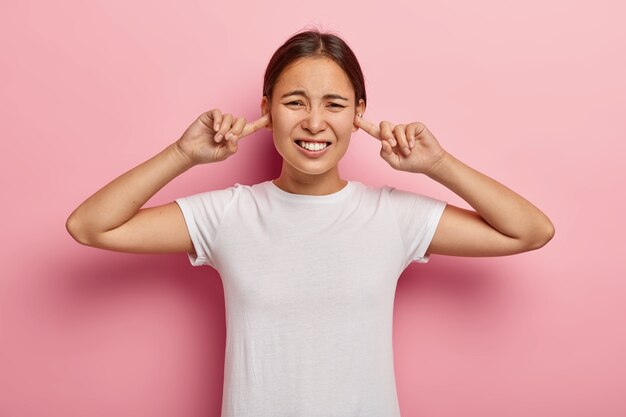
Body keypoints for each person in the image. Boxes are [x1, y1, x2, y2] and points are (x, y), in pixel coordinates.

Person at [66, 29, 554, 417]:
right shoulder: (229, 215)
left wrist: (437, 164)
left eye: (335, 104)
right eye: (295, 101)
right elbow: (91, 226)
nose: (315, 122)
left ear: (360, 114)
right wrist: (182, 154)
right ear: (266, 110)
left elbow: (530, 231)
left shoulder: (391, 216)